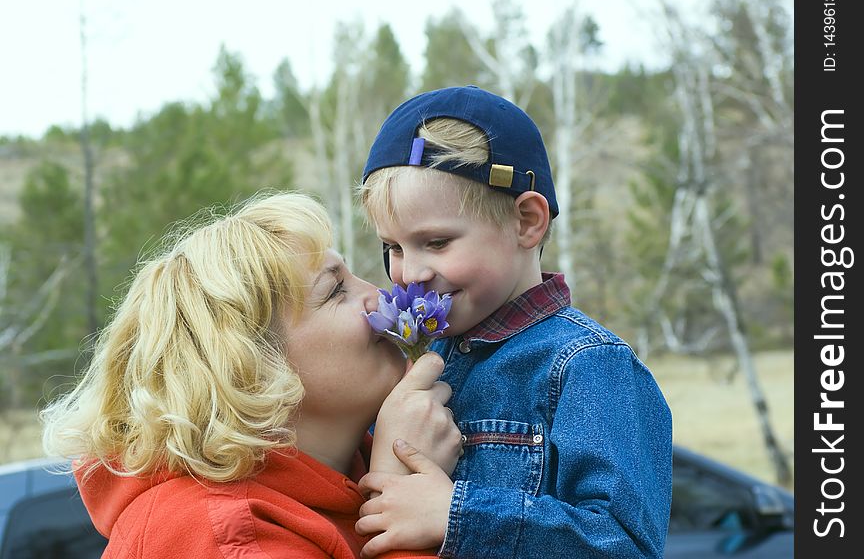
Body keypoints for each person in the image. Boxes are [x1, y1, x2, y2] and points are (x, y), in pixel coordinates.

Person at [40, 191, 462, 559]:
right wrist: (397, 495)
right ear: (250, 367)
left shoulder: (349, 472)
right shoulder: (221, 536)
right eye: (335, 291)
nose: (381, 294)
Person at [355, 85, 673, 558]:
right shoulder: (419, 354)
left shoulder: (589, 368)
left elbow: (624, 544)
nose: (411, 274)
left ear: (526, 221)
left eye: (437, 242)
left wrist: (455, 515)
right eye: (394, 248)